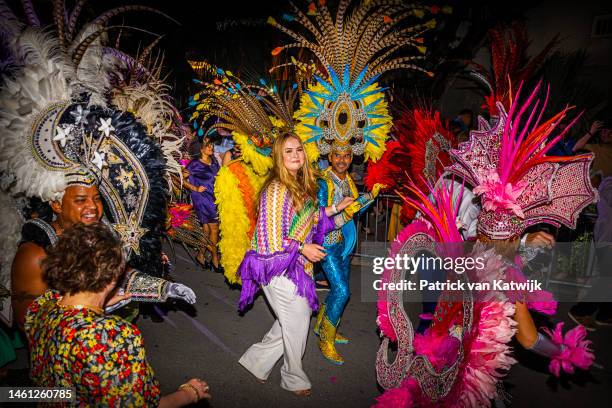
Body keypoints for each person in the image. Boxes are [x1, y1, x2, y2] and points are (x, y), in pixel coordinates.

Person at [25, 223, 210, 407]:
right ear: (114, 277)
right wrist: (190, 393)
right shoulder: (114, 336)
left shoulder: (41, 307)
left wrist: (100, 307)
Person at [237, 133, 357, 396]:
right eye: (288, 151)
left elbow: (311, 217)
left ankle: (256, 362)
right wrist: (303, 247)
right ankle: (293, 377)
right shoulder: (276, 188)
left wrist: (337, 207)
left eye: (299, 150)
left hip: (296, 265)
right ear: (279, 157)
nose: (295, 155)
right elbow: (271, 236)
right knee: (298, 319)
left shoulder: (297, 185)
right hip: (276, 266)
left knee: (289, 320)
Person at [314, 149, 385, 364]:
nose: (342, 160)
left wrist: (371, 196)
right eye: (337, 155)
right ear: (329, 157)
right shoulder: (323, 182)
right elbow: (319, 216)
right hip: (327, 245)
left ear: (352, 158)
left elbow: (355, 210)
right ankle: (326, 339)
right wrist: (346, 212)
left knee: (339, 289)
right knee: (343, 291)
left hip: (344, 245)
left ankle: (322, 326)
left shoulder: (350, 181)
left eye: (346, 156)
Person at [183, 138, 222, 271]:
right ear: (201, 149)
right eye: (207, 145)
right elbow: (181, 178)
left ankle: (200, 255)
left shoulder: (214, 161)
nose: (211, 147)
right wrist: (195, 188)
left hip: (214, 197)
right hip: (203, 199)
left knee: (206, 229)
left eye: (212, 144)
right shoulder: (194, 164)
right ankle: (215, 258)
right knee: (214, 228)